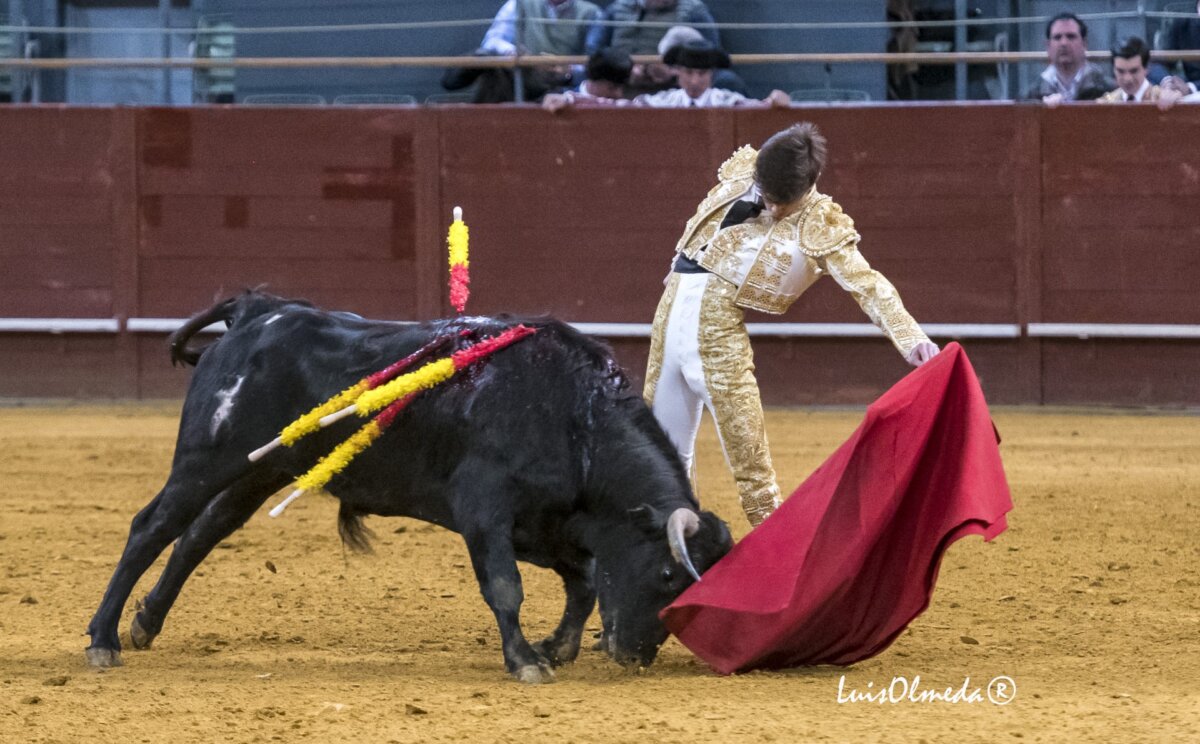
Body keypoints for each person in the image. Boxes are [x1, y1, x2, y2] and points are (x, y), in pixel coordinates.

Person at [643, 123, 940, 527]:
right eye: (765, 194)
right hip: (668, 318)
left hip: (717, 336)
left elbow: (867, 284)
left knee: (752, 467)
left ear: (807, 186)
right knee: (662, 458)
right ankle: (671, 554)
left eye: (780, 201)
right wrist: (673, 262)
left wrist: (911, 337)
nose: (770, 206)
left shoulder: (820, 220)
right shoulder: (744, 173)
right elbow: (701, 220)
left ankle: (778, 553)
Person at [542, 39, 788, 110]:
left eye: (702, 73)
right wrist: (570, 99)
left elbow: (761, 107)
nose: (694, 80)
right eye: (688, 72)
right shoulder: (664, 101)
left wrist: (775, 101)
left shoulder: (727, 100)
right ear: (677, 73)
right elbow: (616, 106)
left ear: (711, 75)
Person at [443, 0, 600, 102]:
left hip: (561, 82)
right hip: (523, 70)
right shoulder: (519, 4)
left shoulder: (591, 13)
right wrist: (514, 52)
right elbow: (493, 40)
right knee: (492, 62)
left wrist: (568, 70)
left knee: (496, 72)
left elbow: (597, 63)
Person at [1023, 12, 1112, 103]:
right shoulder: (1032, 95)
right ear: (1048, 46)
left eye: (1071, 36)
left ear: (1084, 44)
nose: (1064, 43)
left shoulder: (1109, 90)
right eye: (1057, 37)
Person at [585, 0, 719, 57]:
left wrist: (672, 71)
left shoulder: (694, 10)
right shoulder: (618, 7)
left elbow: (712, 54)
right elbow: (593, 48)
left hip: (672, 86)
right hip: (618, 80)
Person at [1099, 37, 1182, 109]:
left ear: (1146, 69)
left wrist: (1178, 102)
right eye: (1121, 71)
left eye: (1134, 71)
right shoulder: (1105, 103)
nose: (1127, 79)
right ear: (1113, 70)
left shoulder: (1165, 98)